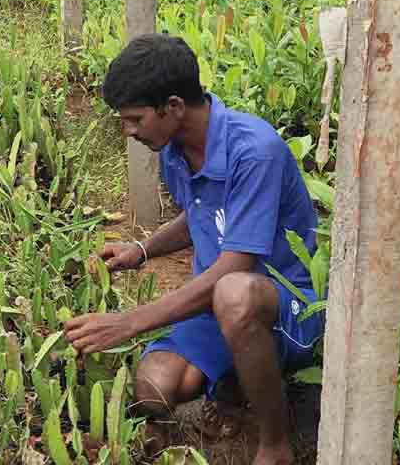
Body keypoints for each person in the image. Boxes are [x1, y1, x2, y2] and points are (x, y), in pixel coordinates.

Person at [64, 34, 323, 465]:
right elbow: (200, 215)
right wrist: (142, 250)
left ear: (174, 107)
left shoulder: (254, 152)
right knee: (154, 389)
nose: (129, 132)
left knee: (234, 293)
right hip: (216, 308)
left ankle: (275, 444)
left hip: (284, 309)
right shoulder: (175, 149)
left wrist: (129, 323)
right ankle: (235, 381)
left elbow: (233, 271)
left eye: (134, 119)